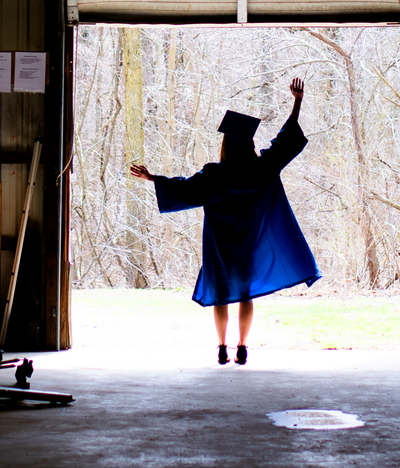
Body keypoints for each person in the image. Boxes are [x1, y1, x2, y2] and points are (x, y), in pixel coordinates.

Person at [128, 77, 321, 364]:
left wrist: (153, 177)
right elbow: (284, 142)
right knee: (245, 293)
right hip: (249, 245)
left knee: (220, 294)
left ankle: (222, 347)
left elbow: (185, 187)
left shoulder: (215, 175)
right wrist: (297, 102)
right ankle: (242, 347)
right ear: (249, 145)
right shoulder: (261, 170)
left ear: (226, 146)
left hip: (220, 245)